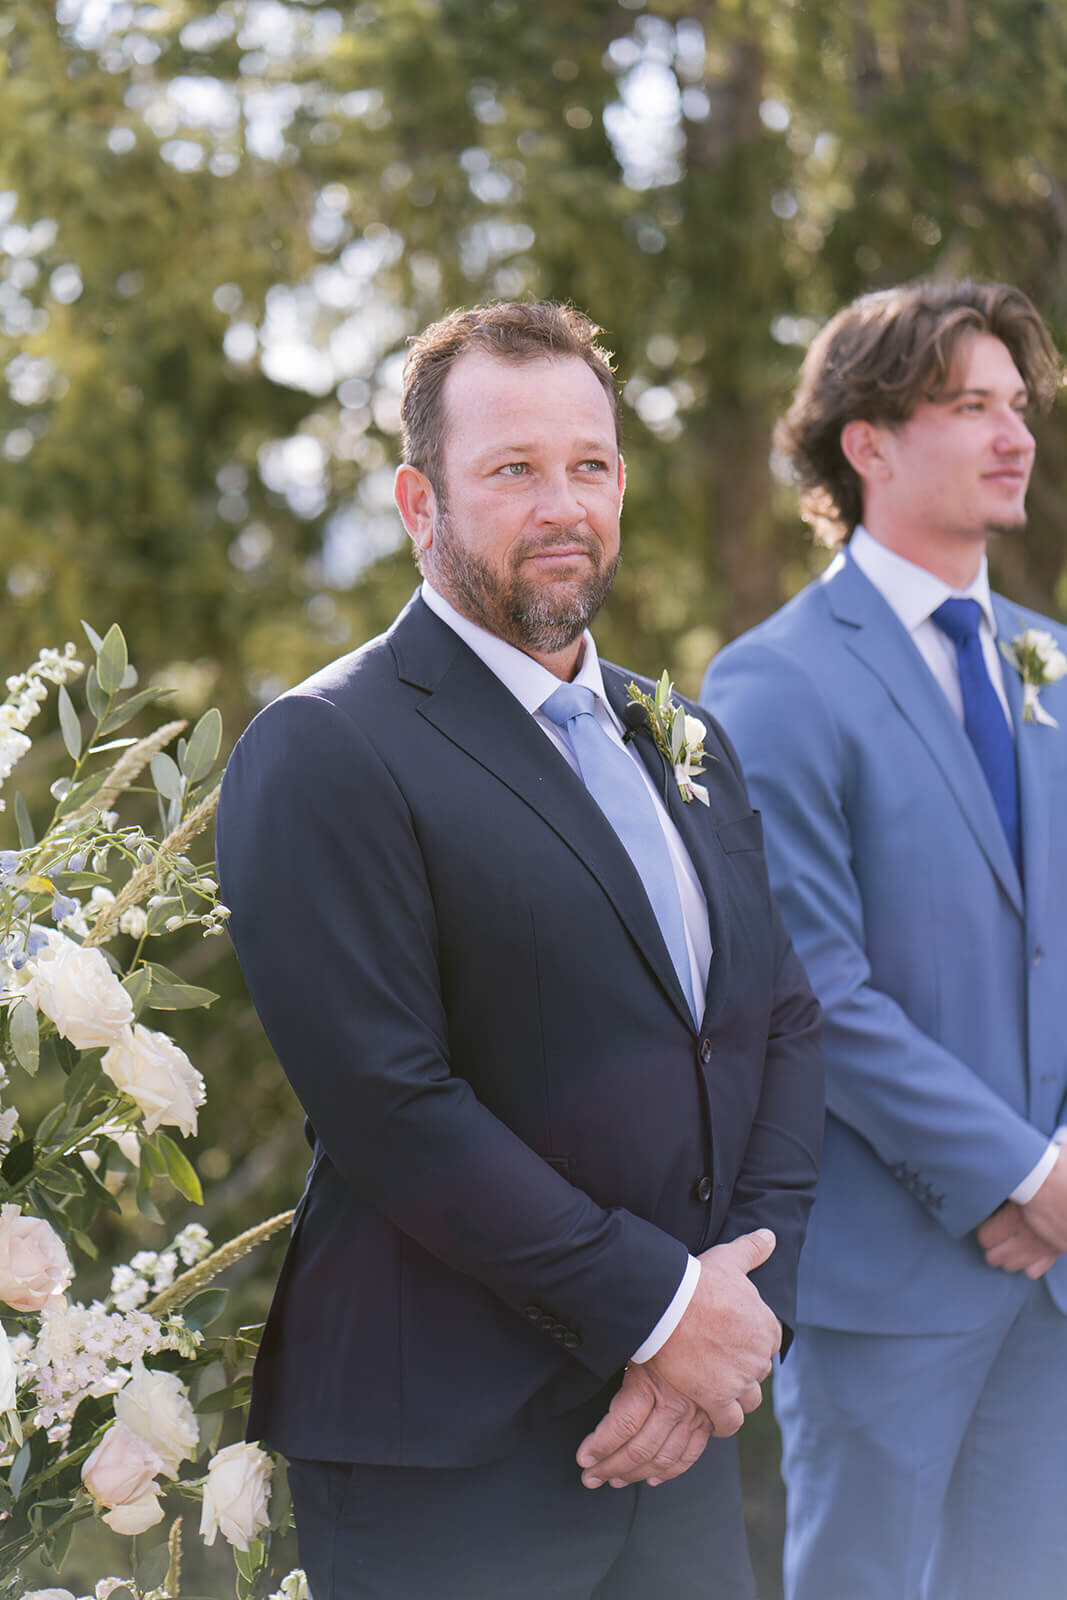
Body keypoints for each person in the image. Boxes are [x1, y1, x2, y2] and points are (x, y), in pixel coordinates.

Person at [216, 299, 824, 1599]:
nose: (563, 504)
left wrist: (736, 1309)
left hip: (681, 1445)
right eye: (513, 470)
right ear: (417, 503)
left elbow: (775, 1022)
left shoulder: (684, 738)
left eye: (589, 466)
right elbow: (392, 1105)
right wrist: (663, 1314)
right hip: (447, 1456)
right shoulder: (326, 749)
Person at [702, 279, 1067, 1600]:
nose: (1014, 434)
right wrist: (1020, 1180)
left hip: (1056, 1290)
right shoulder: (774, 681)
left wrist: (1061, 1174)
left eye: (1017, 407)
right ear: (866, 444)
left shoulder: (1056, 666)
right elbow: (813, 992)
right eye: (970, 405)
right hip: (888, 1293)